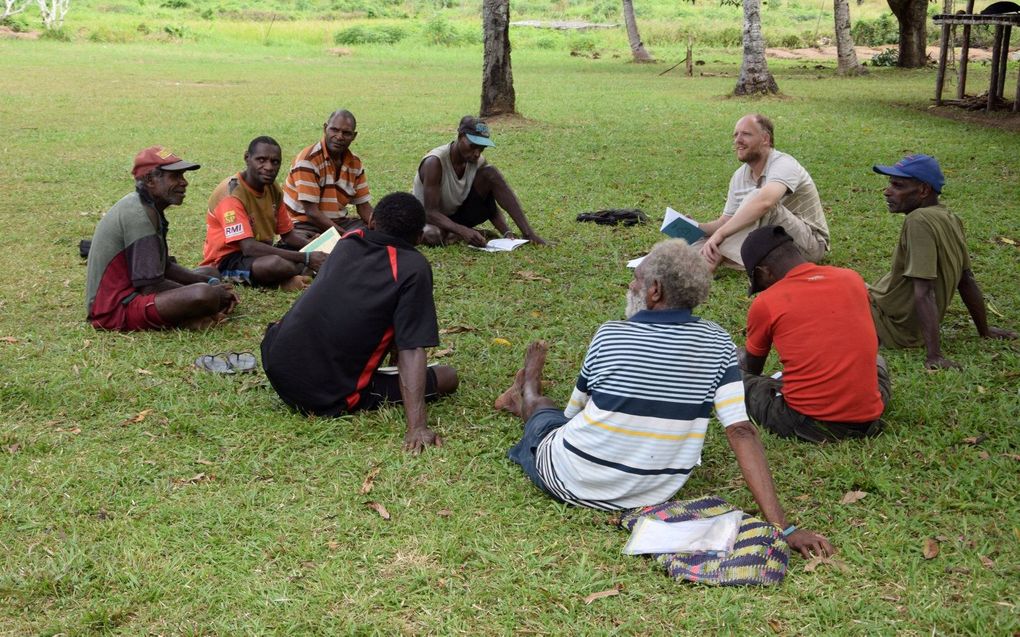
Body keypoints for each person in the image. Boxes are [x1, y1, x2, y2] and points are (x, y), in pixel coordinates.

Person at [496, 239, 834, 558]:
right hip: (651, 495)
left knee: (546, 417)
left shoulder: (610, 334)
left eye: (636, 279)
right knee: (552, 421)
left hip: (570, 480)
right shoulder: (718, 344)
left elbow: (573, 416)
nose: (631, 286)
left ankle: (527, 393)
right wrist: (784, 528)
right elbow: (741, 432)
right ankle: (527, 398)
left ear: (654, 290)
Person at [261, 192, 458, 454]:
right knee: (448, 377)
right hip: (325, 395)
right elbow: (412, 348)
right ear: (419, 237)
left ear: (372, 221)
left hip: (276, 363)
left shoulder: (349, 240)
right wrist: (417, 426)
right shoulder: (413, 266)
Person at [739, 225, 890, 443]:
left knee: (734, 378)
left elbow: (753, 369)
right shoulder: (852, 279)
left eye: (759, 283)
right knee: (877, 361)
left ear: (764, 272)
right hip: (869, 417)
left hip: (810, 423)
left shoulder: (766, 302)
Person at [869, 154, 1016, 369]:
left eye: (897, 185)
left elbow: (924, 291)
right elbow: (966, 279)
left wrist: (934, 356)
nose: (887, 191)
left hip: (890, 326)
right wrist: (985, 330)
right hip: (887, 311)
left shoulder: (918, 220)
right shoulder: (950, 217)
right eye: (890, 183)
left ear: (923, 190)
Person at [85, 146, 239, 331]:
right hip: (115, 310)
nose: (184, 183)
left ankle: (195, 313)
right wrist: (212, 293)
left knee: (211, 274)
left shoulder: (147, 207)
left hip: (137, 292)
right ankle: (190, 318)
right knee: (203, 294)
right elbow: (150, 286)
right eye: (175, 176)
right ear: (150, 180)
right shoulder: (139, 215)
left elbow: (164, 267)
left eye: (182, 176)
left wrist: (211, 283)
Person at [698, 114, 829, 270]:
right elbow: (727, 221)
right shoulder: (739, 176)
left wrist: (719, 235)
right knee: (697, 241)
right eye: (735, 135)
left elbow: (765, 203)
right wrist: (697, 228)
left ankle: (715, 257)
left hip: (808, 244)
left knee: (757, 199)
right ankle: (699, 260)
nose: (737, 140)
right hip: (773, 242)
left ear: (765, 139)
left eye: (746, 134)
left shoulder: (784, 164)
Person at [200, 136, 327, 290]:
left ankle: (296, 273)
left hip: (261, 251)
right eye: (261, 160)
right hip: (229, 260)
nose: (269, 167)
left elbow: (288, 235)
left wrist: (314, 249)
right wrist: (306, 257)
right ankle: (294, 275)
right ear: (247, 158)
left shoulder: (272, 187)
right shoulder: (232, 195)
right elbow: (248, 247)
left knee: (307, 240)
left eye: (275, 162)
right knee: (275, 264)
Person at [412, 115, 546, 247]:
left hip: (455, 216)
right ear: (460, 137)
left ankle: (528, 234)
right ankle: (459, 234)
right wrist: (463, 231)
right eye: (473, 146)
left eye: (481, 148)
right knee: (433, 235)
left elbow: (489, 204)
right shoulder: (435, 162)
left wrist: (506, 232)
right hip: (430, 219)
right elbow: (430, 212)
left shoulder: (477, 162)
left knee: (491, 173)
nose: (477, 153)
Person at [282, 109, 373, 236]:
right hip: (304, 224)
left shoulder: (355, 163)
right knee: (313, 248)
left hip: (338, 223)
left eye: (346, 133)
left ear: (354, 136)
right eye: (334, 130)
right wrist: (345, 235)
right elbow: (312, 213)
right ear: (325, 129)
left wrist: (381, 227)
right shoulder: (308, 161)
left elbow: (363, 207)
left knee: (373, 234)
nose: (339, 137)